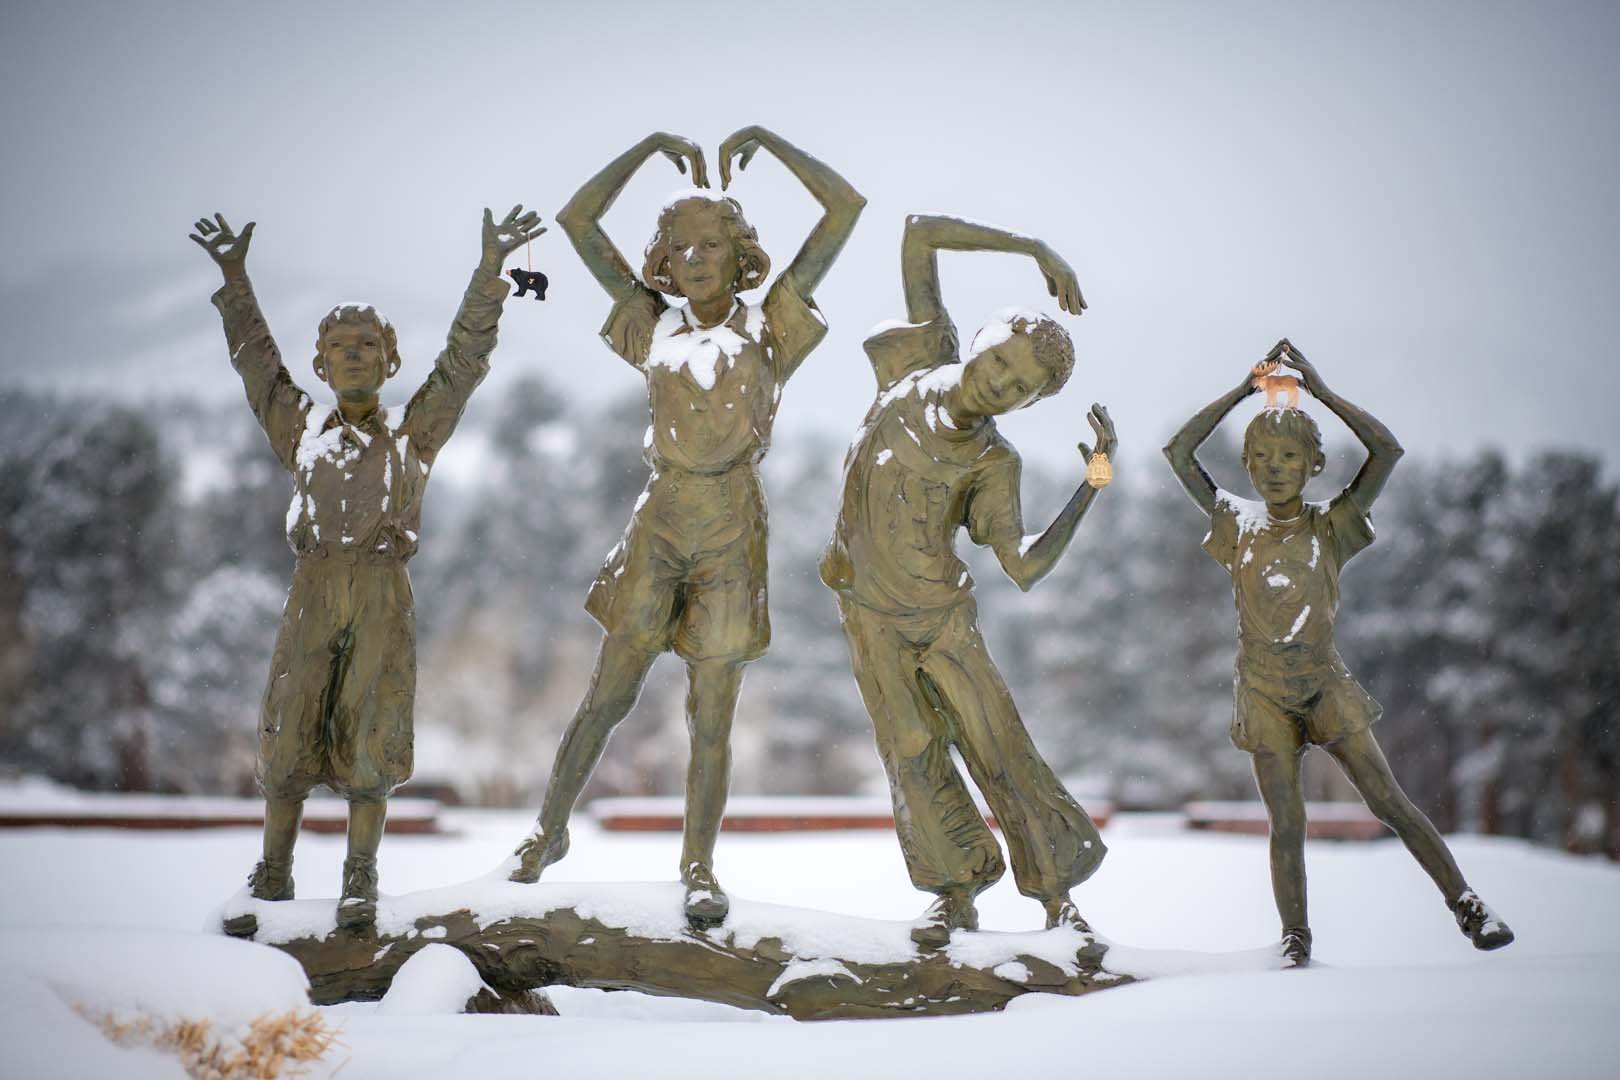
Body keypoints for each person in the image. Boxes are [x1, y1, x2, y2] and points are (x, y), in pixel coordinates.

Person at [508, 129, 864, 927]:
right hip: (661, 519)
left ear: (741, 256)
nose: (697, 258)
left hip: (733, 525)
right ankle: (546, 831)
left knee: (712, 713)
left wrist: (771, 144)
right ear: (661, 263)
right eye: (680, 247)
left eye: (713, 243)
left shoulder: (771, 327)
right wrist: (644, 148)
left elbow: (844, 208)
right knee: (609, 692)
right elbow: (575, 220)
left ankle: (698, 865)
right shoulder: (652, 326)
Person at [191, 206, 542, 932]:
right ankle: (275, 870)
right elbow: (256, 363)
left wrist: (489, 276)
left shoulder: (415, 435)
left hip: (382, 592)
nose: (354, 355)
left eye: (368, 345)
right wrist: (235, 281)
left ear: (389, 360)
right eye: (340, 346)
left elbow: (462, 363)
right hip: (313, 589)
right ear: (321, 365)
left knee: (372, 729)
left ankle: (360, 877)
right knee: (291, 726)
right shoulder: (303, 432)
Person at [1163, 340, 1515, 966]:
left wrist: (1320, 393)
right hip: (1263, 690)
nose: (1275, 468)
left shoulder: (1331, 525)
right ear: (1246, 464)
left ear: (1312, 466)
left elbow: (1386, 452)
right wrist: (1244, 390)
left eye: (1290, 456)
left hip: (1324, 685)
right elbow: (1179, 452)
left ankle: (1466, 903)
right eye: (1262, 456)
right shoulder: (1236, 524)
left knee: (1388, 801)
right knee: (1287, 822)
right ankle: (1296, 938)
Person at [819, 213, 1115, 946]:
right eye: (998, 364)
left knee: (998, 745)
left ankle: (1057, 897)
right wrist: (1034, 248)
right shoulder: (914, 363)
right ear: (976, 342)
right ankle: (955, 891)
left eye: (1019, 389)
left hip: (941, 618)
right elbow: (918, 233)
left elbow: (1022, 565)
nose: (999, 385)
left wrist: (1091, 486)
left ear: (1029, 404)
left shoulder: (993, 463)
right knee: (910, 752)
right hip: (867, 613)